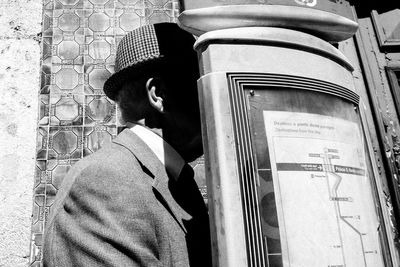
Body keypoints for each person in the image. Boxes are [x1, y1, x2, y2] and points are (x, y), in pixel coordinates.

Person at [43, 23, 212, 267]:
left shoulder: (173, 180)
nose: (210, 100)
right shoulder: (105, 181)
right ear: (158, 94)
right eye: (198, 84)